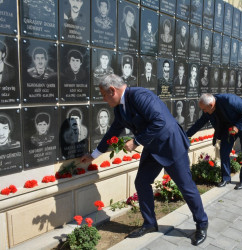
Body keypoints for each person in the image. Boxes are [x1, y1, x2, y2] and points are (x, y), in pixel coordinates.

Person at [81, 74, 209, 246]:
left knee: (185, 186)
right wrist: (94, 155)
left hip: (171, 145)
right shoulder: (120, 108)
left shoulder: (139, 95)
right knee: (142, 182)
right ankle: (150, 223)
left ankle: (201, 223)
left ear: (112, 90)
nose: (103, 99)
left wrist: (136, 141)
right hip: (153, 148)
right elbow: (113, 130)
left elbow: (159, 121)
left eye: (104, 94)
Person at [186, 93, 242, 189]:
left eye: (204, 109)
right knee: (224, 151)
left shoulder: (229, 100)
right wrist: (185, 135)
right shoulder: (208, 109)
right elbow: (199, 123)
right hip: (229, 127)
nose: (203, 111)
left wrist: (237, 126)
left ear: (211, 105)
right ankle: (226, 178)